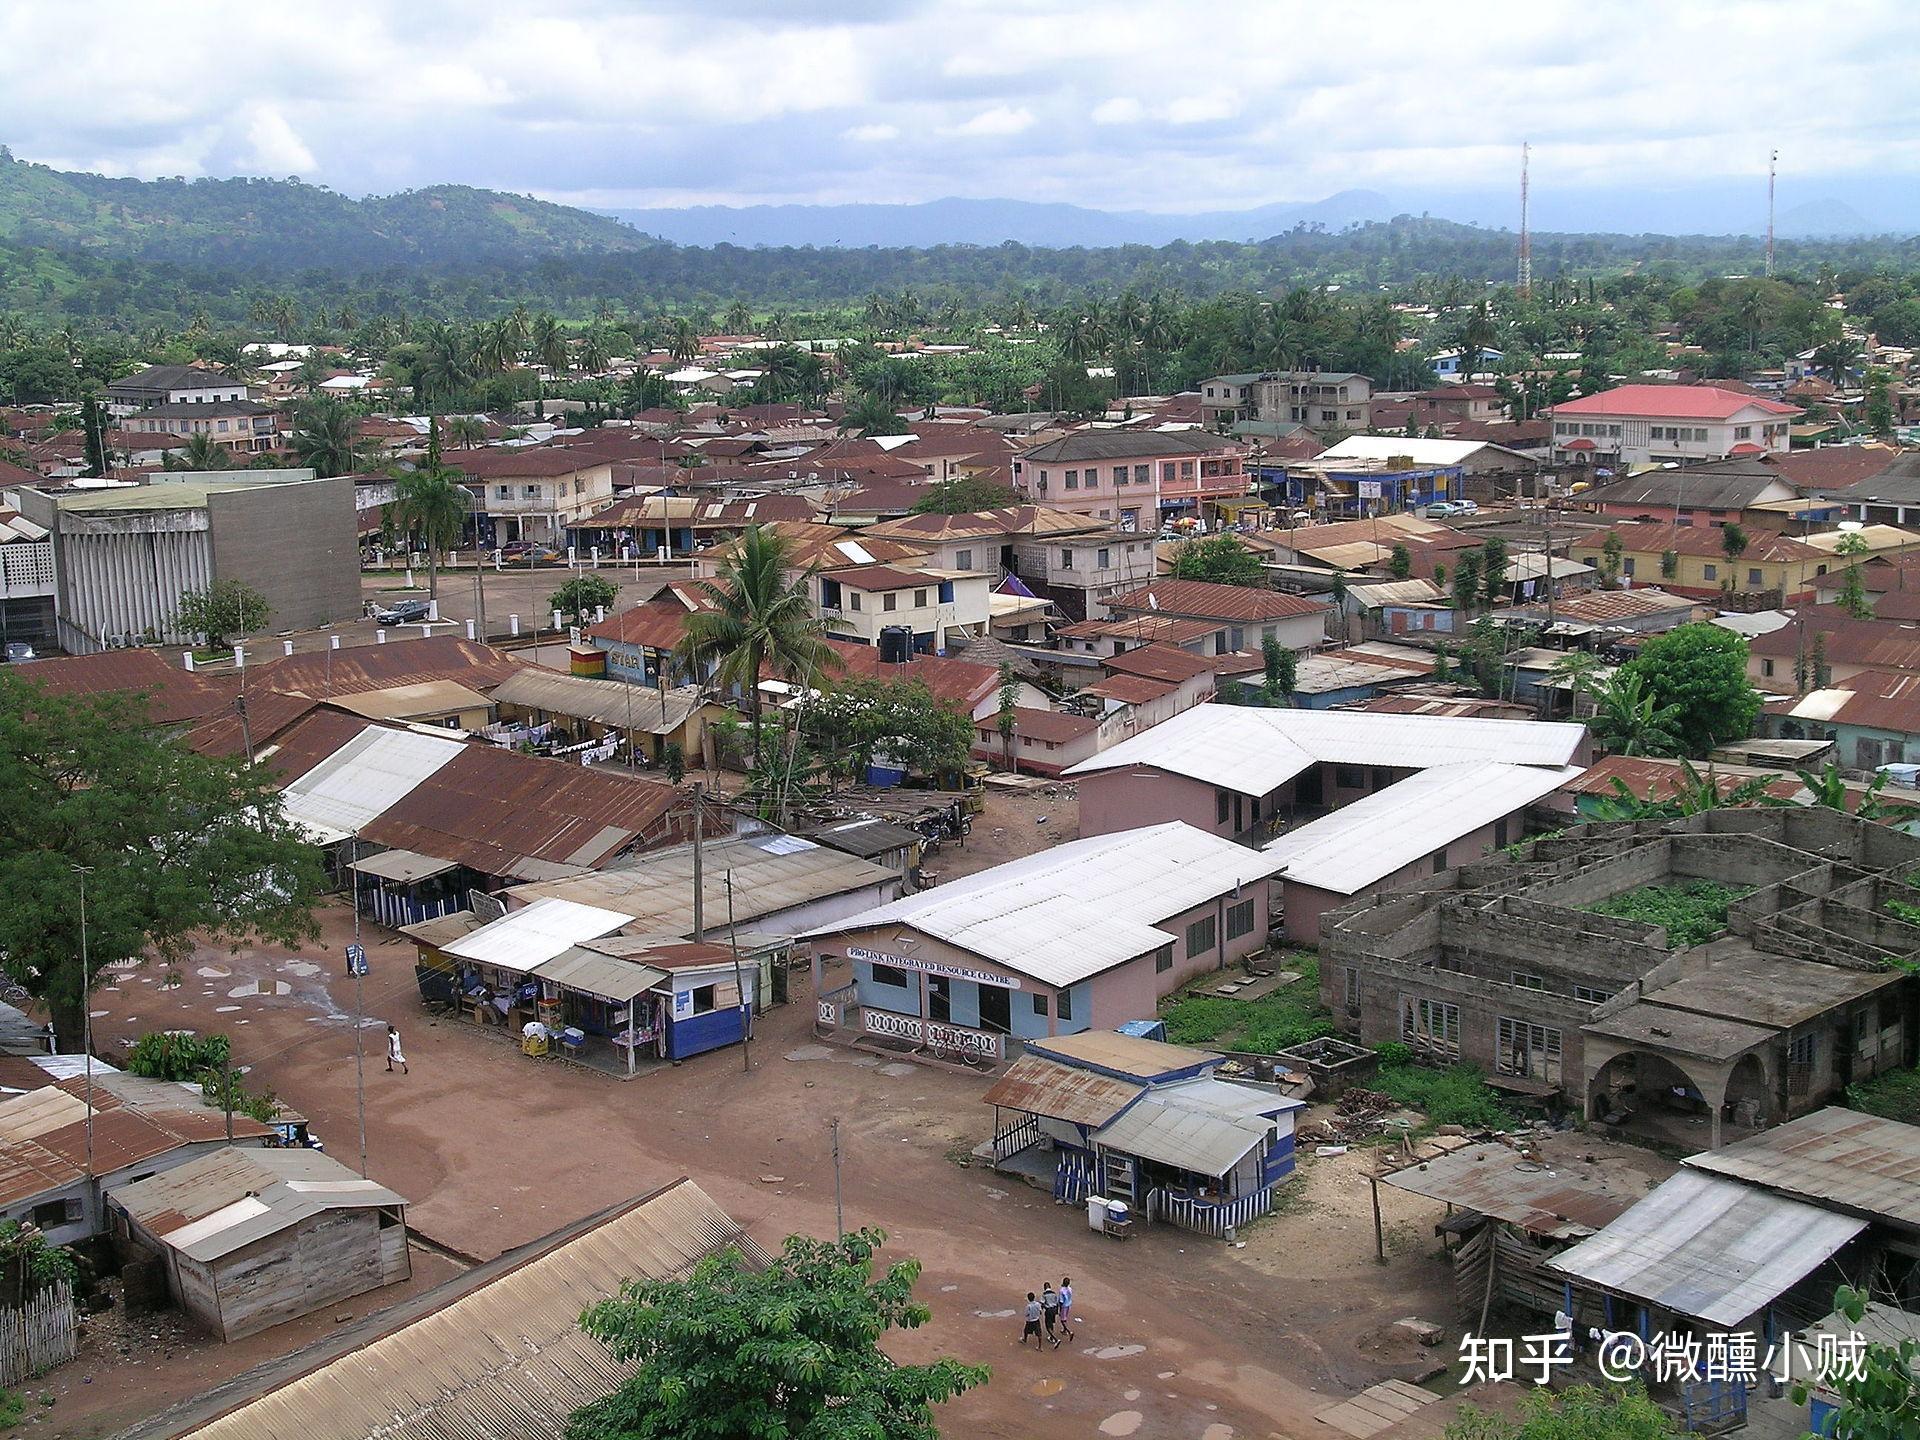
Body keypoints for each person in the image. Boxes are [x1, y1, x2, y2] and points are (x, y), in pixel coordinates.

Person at [1041, 1283, 1062, 1347]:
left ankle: (1055, 1339)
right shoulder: (1054, 1293)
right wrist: (1057, 1311)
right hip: (1054, 1309)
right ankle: (1051, 1337)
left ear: (1044, 1288)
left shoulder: (1044, 1294)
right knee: (1052, 1322)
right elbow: (1057, 1303)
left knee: (1047, 1325)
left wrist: (1042, 1308)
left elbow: (1042, 1303)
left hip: (1049, 1310)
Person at [1058, 1276, 1075, 1341]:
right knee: (1065, 1318)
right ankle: (1064, 1330)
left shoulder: (1062, 1290)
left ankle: (1069, 1331)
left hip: (1064, 1306)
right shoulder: (1070, 1289)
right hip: (1068, 1304)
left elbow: (1061, 1301)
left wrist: (1059, 1309)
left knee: (1062, 1319)